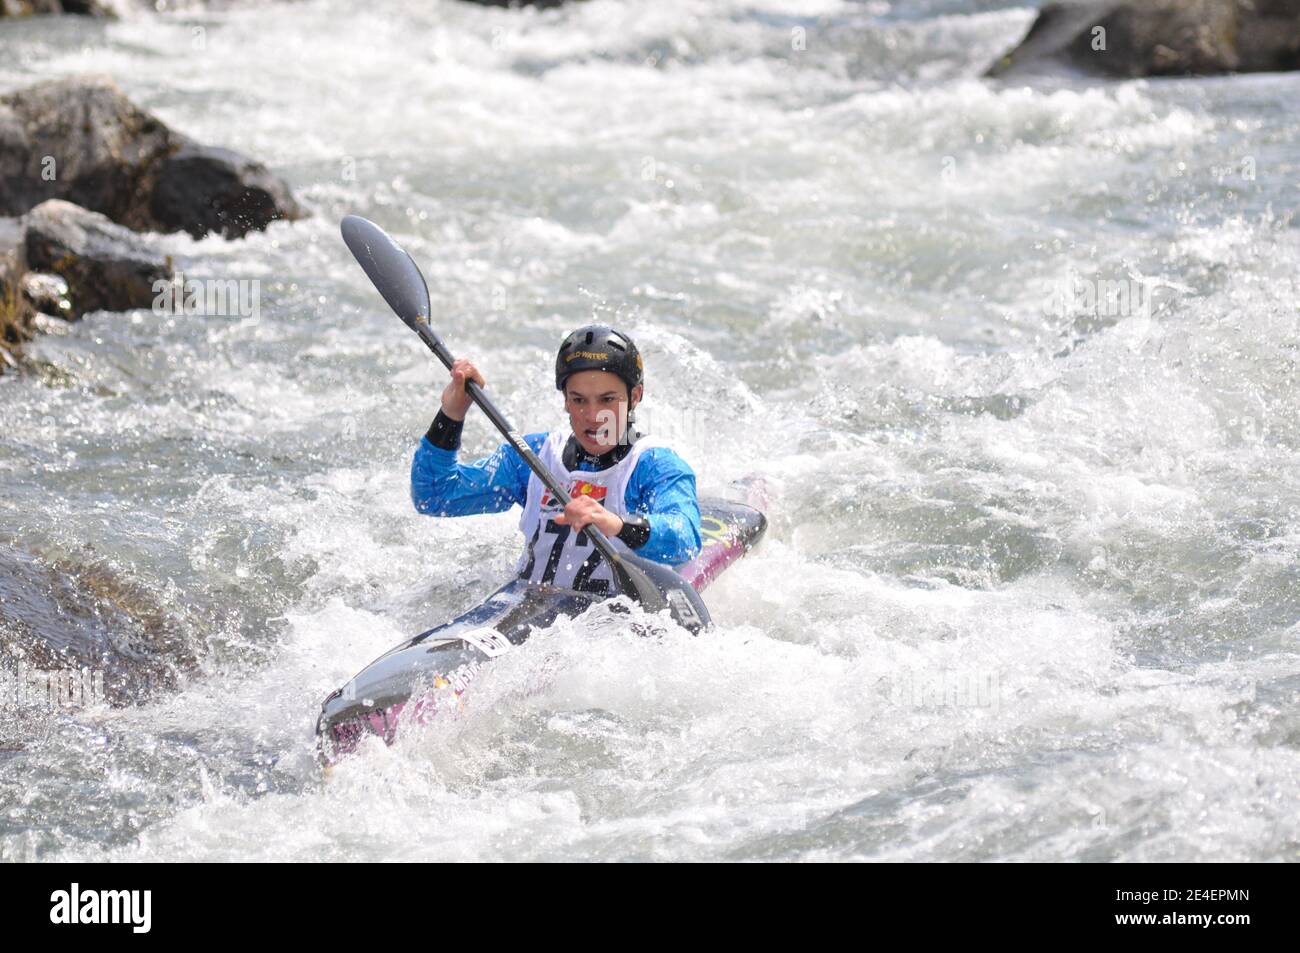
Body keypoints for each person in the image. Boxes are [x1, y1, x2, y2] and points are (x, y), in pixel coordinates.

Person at [411, 325, 702, 593]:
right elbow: (435, 497)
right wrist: (451, 415)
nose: (592, 416)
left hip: (607, 622)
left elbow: (685, 539)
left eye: (607, 399)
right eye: (578, 400)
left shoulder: (655, 466)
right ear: (565, 399)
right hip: (531, 605)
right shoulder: (533, 456)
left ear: (635, 396)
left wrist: (617, 524)